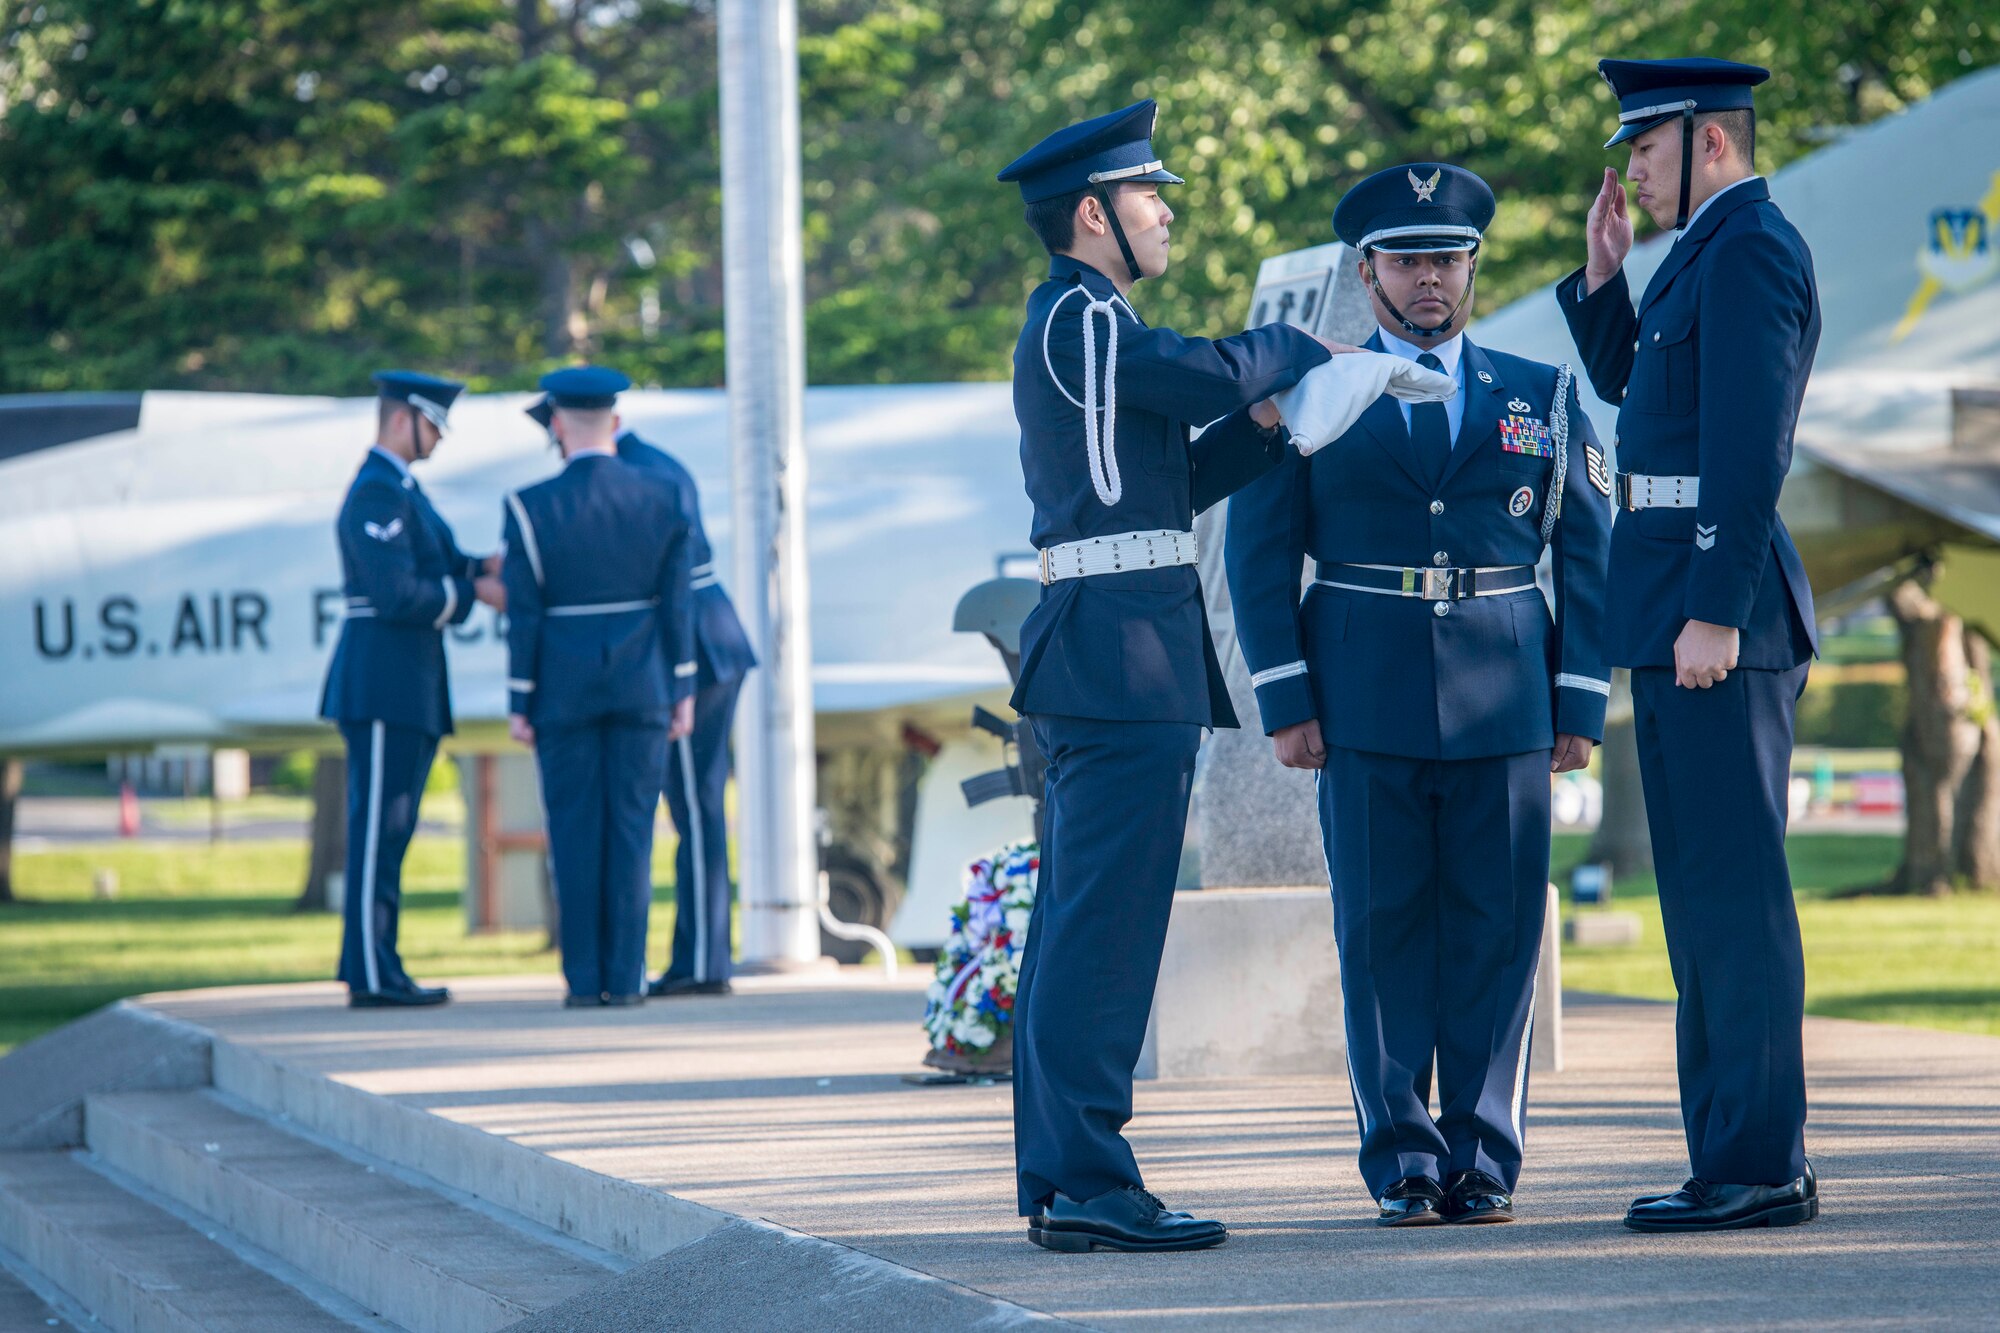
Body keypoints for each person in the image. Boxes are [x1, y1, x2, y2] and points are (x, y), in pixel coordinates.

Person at [1227, 163, 1612, 1227]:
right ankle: (1401, 1152)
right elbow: (1256, 558)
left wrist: (1577, 701)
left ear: (1473, 267)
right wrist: (1282, 697)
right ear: (1368, 271)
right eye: (1406, 258)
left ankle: (1482, 1151)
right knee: (1379, 924)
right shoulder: (1315, 389)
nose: (1429, 276)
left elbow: (1584, 552)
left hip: (1505, 693)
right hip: (1360, 689)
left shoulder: (1537, 392)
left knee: (1495, 929)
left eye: (1447, 257)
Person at [996, 98, 1349, 1254]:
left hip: (1117, 646)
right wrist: (1296, 350)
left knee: (1085, 923)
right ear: (1093, 214)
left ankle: (1067, 1175)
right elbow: (1194, 369)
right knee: (1101, 928)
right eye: (1149, 197)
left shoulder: (1089, 329)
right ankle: (1090, 1178)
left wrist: (1267, 426)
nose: (1163, 217)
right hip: (1112, 655)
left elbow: (1168, 484)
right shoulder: (1080, 314)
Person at [1559, 57, 1822, 1232]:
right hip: (1674, 616)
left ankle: (1758, 1161)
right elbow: (1638, 397)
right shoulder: (1693, 259)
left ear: (1708, 141)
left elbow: (1747, 447)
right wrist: (1603, 281)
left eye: (1644, 150)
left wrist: (1711, 608)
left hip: (1717, 620)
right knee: (1698, 908)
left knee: (1733, 902)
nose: (1630, 173)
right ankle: (1729, 1152)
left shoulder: (1752, 249)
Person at [525, 395, 757, 996]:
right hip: (690, 644)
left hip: (692, 648)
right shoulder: (648, 467)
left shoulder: (641, 477)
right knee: (691, 807)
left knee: (696, 809)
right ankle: (697, 955)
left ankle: (704, 960)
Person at [502, 367, 697, 1008]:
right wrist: (683, 688)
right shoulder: (664, 496)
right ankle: (629, 975)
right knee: (634, 833)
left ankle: (585, 982)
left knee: (574, 832)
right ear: (615, 423)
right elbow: (678, 605)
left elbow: (525, 613)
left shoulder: (529, 506)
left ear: (557, 425)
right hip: (643, 688)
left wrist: (520, 699)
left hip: (562, 692)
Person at [320, 370, 504, 1008]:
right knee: (378, 831)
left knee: (392, 831)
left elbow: (444, 562)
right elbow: (397, 593)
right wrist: (473, 590)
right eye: (434, 426)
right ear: (404, 418)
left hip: (407, 684)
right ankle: (373, 974)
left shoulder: (401, 491)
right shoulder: (377, 493)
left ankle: (377, 965)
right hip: (382, 683)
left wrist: (484, 567)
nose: (439, 441)